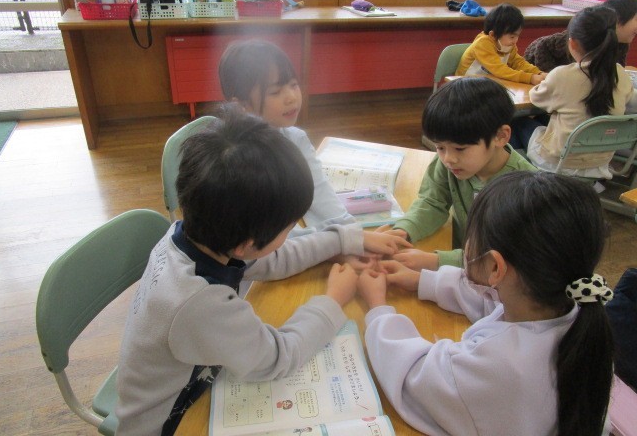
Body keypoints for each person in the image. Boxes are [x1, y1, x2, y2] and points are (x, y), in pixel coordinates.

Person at [114, 111, 402, 435]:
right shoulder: (201, 301)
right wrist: (334, 298)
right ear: (247, 244)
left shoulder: (196, 235)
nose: (291, 234)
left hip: (185, 381)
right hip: (166, 425)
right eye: (289, 228)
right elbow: (278, 357)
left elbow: (275, 259)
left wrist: (347, 239)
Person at [358, 171, 615, 436]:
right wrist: (422, 281)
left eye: (471, 238)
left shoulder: (502, 364)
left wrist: (378, 308)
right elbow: (492, 302)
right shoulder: (575, 306)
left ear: (495, 267)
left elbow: (414, 377)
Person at [388, 77, 536, 271]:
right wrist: (405, 229)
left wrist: (437, 261)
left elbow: (503, 258)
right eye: (440, 147)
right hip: (461, 257)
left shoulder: (525, 190)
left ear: (500, 136)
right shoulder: (450, 162)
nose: (448, 158)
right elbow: (433, 202)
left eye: (460, 148)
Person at [218, 39, 354, 234]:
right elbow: (277, 238)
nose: (291, 97)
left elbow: (321, 193)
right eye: (276, 92)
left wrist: (353, 231)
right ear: (241, 105)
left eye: (293, 84)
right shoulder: (241, 160)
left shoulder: (295, 139)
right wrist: (344, 239)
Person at [516, 5, 635, 178]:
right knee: (547, 122)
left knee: (517, 122)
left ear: (572, 43)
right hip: (600, 164)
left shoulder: (562, 75)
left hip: (558, 163)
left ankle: (525, 181)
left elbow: (536, 98)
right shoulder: (621, 75)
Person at [525, 0, 637, 73]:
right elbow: (542, 46)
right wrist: (551, 75)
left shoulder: (622, 44)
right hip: (535, 65)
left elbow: (615, 71)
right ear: (617, 18)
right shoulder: (586, 36)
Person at [455, 3, 547, 85]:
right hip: (464, 86)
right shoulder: (482, 44)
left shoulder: (508, 45)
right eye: (512, 37)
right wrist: (530, 78)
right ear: (493, 35)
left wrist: (538, 73)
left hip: (486, 84)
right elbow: (499, 70)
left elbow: (518, 63)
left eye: (517, 36)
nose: (515, 40)